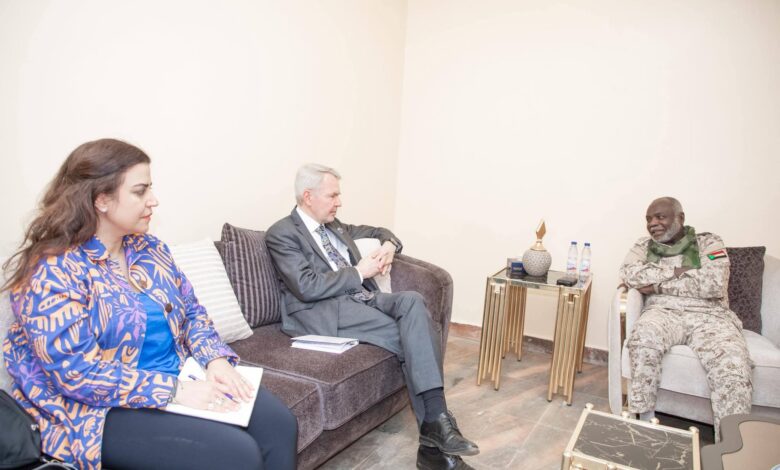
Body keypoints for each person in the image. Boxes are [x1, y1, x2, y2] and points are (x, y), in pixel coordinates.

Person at [1, 139, 297, 470]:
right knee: (237, 455)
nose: (153, 200)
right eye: (140, 191)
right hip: (99, 407)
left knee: (279, 425)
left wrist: (215, 360)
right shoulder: (52, 270)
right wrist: (174, 390)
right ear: (101, 199)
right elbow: (76, 374)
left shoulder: (149, 249)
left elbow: (192, 313)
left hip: (179, 374)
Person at [265, 164, 479, 470]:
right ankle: (437, 441)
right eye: (333, 195)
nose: (339, 202)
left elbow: (380, 233)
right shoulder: (282, 233)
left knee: (413, 301)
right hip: (324, 310)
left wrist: (389, 246)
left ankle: (435, 429)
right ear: (308, 196)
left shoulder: (335, 226)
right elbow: (307, 286)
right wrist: (359, 272)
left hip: (363, 299)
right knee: (414, 337)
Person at [619, 196, 752, 440]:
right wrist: (685, 271)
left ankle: (731, 448)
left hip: (711, 316)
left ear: (680, 218)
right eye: (649, 219)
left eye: (660, 217)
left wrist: (657, 284)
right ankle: (643, 425)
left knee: (732, 366)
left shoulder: (709, 242)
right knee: (643, 337)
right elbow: (629, 274)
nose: (653, 223)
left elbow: (713, 283)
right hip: (662, 312)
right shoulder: (642, 246)